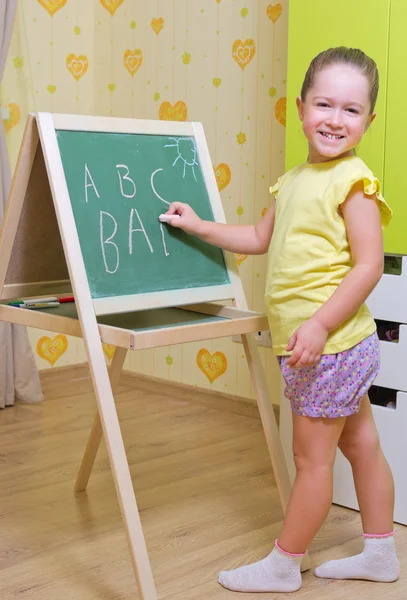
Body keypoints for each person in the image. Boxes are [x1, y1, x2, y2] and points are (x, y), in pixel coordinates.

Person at [164, 47, 400, 593]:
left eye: (351, 110)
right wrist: (200, 227)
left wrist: (317, 326)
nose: (335, 120)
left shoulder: (354, 183)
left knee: (311, 461)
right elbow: (257, 239)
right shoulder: (293, 180)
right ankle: (381, 553)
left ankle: (283, 564)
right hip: (334, 345)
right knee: (361, 445)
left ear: (369, 119)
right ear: (300, 108)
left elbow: (367, 267)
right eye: (324, 104)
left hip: (330, 345)